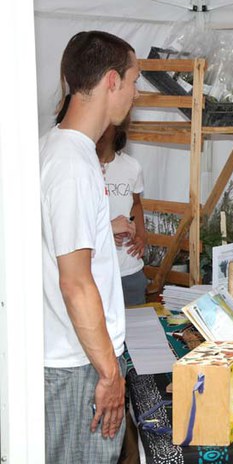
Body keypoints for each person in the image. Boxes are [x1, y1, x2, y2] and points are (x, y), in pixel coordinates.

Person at [39, 30, 140, 463]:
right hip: (76, 363)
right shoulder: (71, 163)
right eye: (135, 81)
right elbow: (76, 284)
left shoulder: (54, 149)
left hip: (71, 356)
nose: (136, 94)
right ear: (112, 81)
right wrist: (110, 373)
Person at [96, 121, 149, 306]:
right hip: (96, 273)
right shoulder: (82, 168)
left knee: (136, 331)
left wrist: (142, 235)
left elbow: (136, 203)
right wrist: (109, 229)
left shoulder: (132, 166)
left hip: (129, 271)